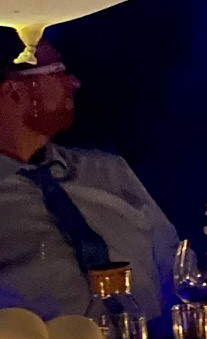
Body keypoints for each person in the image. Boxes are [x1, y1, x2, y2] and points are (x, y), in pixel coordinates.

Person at [0, 34, 179, 323]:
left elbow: (174, 266)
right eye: (57, 72)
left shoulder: (107, 171)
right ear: (13, 92)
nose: (74, 82)